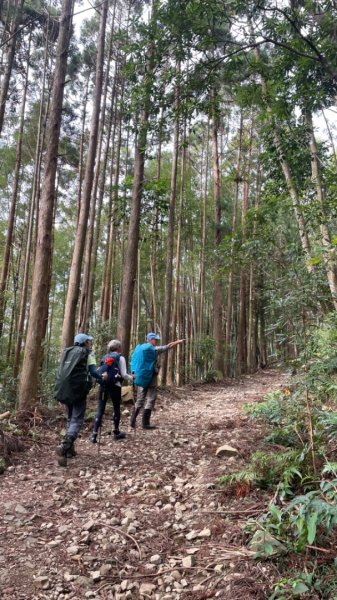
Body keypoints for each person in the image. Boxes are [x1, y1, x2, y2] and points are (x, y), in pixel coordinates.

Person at [55, 333, 103, 467]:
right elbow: (93, 372)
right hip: (78, 389)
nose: (90, 344)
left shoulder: (67, 351)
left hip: (64, 389)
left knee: (70, 417)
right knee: (77, 418)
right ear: (85, 342)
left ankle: (70, 450)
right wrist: (101, 377)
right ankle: (65, 446)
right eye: (89, 341)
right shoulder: (88, 353)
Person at [130, 333, 185, 430]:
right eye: (155, 339)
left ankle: (133, 421)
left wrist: (135, 375)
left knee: (140, 399)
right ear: (150, 339)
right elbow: (168, 346)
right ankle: (145, 423)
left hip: (141, 377)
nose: (156, 341)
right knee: (151, 398)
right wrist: (178, 342)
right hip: (151, 377)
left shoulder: (139, 349)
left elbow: (134, 362)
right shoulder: (154, 349)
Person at [90, 339, 133, 443]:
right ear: (118, 348)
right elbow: (123, 375)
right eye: (120, 346)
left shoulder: (105, 357)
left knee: (100, 409)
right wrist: (132, 377)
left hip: (103, 385)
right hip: (115, 386)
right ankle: (116, 431)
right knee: (116, 408)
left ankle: (94, 435)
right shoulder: (120, 358)